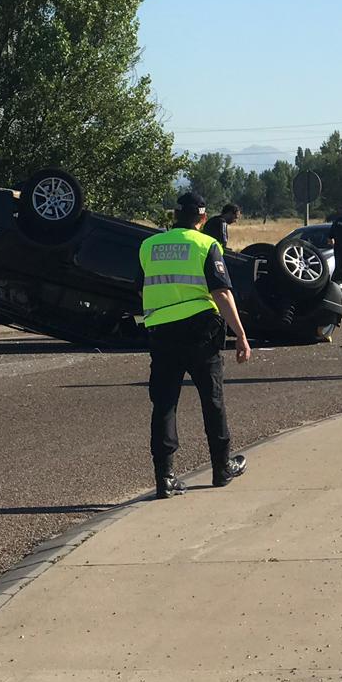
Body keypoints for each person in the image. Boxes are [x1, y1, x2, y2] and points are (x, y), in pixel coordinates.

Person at [139, 191, 253, 498]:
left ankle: (164, 477)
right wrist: (240, 335)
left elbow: (141, 285)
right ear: (202, 219)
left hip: (162, 332)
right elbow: (221, 293)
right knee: (212, 400)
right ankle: (221, 467)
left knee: (164, 404)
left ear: (173, 216)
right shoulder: (206, 244)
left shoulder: (148, 246)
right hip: (201, 331)